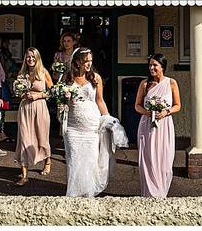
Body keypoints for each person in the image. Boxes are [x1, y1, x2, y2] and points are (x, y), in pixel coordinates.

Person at [62, 47, 128, 197]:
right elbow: (62, 100)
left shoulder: (95, 78)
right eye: (86, 61)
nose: (89, 64)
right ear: (77, 62)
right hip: (73, 127)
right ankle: (74, 193)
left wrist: (110, 120)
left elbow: (100, 101)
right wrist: (62, 99)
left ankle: (88, 192)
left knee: (90, 160)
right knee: (74, 159)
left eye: (91, 61)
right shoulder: (68, 78)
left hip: (91, 125)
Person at [134, 53, 180, 197]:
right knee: (148, 159)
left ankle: (161, 193)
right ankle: (149, 193)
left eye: (155, 65)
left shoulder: (171, 83)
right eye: (150, 65)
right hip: (147, 125)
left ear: (162, 67)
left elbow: (178, 105)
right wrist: (148, 113)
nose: (152, 68)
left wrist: (166, 112)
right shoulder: (145, 84)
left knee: (164, 159)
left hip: (164, 125)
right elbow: (137, 106)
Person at [13, 47, 53, 185]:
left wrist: (38, 95)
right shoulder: (21, 74)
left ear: (37, 59)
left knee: (42, 138)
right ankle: (24, 175)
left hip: (40, 108)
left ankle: (48, 160)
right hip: (25, 109)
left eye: (33, 57)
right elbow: (17, 92)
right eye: (28, 57)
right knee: (24, 139)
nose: (30, 59)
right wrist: (21, 94)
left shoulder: (43, 73)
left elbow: (52, 92)